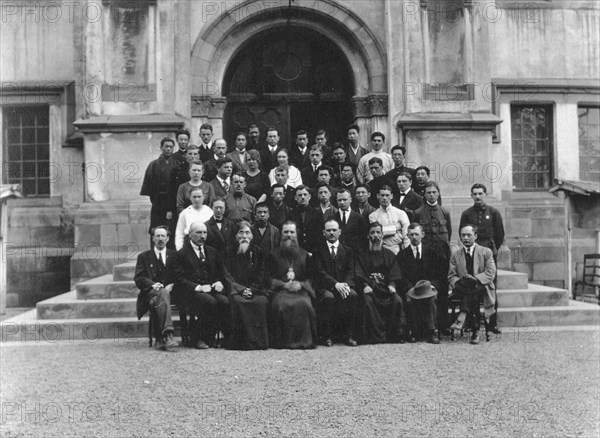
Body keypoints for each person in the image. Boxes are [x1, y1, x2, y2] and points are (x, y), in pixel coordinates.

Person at [173, 221, 228, 349]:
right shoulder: (181, 254)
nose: (202, 236)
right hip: (190, 292)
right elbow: (179, 279)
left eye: (204, 233)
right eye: (198, 232)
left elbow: (221, 273)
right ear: (190, 235)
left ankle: (219, 337)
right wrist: (198, 287)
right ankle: (197, 338)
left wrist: (219, 281)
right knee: (210, 302)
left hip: (210, 289)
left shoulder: (212, 251)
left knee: (224, 301)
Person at [459, 183, 505, 334]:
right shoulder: (467, 214)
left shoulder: (493, 213)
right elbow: (462, 233)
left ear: (485, 194)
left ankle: (492, 324)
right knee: (472, 285)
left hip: (488, 254)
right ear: (471, 196)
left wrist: (490, 250)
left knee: (490, 286)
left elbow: (499, 235)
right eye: (475, 194)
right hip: (471, 254)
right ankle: (470, 322)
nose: (478, 197)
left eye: (480, 193)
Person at [266, 221, 318, 349]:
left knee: (305, 304)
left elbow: (312, 278)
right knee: (280, 306)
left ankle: (304, 341)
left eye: (292, 232)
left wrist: (301, 284)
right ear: (281, 234)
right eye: (286, 232)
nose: (289, 235)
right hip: (280, 291)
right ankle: (282, 342)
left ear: (296, 234)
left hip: (300, 291)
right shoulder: (272, 254)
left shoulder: (305, 255)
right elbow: (267, 277)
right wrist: (282, 285)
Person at [396, 223, 447, 342]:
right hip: (412, 288)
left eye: (417, 234)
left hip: (429, 287)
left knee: (431, 299)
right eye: (411, 234)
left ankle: (432, 331)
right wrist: (409, 288)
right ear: (407, 236)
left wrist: (433, 285)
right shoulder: (402, 255)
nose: (414, 237)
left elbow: (440, 273)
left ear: (422, 235)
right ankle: (414, 331)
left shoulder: (432, 252)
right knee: (409, 300)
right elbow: (401, 276)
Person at [356, 222, 405, 344]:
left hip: (385, 289)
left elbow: (394, 273)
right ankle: (372, 337)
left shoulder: (389, 254)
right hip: (370, 288)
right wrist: (365, 286)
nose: (375, 235)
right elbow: (359, 272)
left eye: (378, 232)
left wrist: (392, 285)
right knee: (367, 302)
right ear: (368, 236)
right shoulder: (361, 254)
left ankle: (394, 336)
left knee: (398, 300)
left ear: (382, 235)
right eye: (372, 233)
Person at [448, 225, 497, 345]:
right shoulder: (456, 254)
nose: (465, 238)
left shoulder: (486, 252)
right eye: (463, 235)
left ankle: (464, 317)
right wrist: (460, 282)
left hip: (481, 286)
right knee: (470, 292)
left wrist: (475, 279)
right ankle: (474, 332)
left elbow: (491, 273)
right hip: (462, 287)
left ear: (475, 236)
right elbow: (451, 275)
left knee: (474, 291)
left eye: (469, 235)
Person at [224, 221, 269, 350]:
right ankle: (241, 343)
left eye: (247, 233)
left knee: (261, 301)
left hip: (255, 290)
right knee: (238, 302)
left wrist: (252, 289)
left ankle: (259, 342)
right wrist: (242, 289)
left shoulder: (258, 251)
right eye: (241, 233)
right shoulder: (228, 252)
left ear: (252, 236)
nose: (244, 236)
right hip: (236, 291)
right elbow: (226, 275)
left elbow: (261, 273)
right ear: (235, 236)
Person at [314, 219, 359, 347]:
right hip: (325, 287)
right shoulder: (318, 250)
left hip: (343, 286)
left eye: (334, 230)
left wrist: (345, 285)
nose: (331, 233)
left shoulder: (348, 250)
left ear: (340, 232)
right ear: (324, 233)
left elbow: (351, 271)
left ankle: (348, 335)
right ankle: (327, 336)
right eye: (328, 230)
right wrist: (335, 284)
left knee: (352, 295)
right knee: (328, 297)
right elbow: (319, 272)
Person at [134, 226, 177, 350]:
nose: (160, 239)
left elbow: (180, 275)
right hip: (150, 293)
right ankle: (168, 334)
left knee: (162, 296)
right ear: (153, 238)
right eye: (157, 236)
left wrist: (173, 285)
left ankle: (161, 337)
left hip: (172, 292)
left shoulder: (174, 255)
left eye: (163, 236)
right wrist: (152, 284)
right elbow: (139, 278)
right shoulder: (144, 256)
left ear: (168, 239)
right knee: (161, 295)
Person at [140, 137, 178, 248]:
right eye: (166, 146)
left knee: (171, 230)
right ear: (161, 148)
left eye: (171, 147)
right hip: (157, 205)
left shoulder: (176, 164)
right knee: (156, 230)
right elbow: (150, 187)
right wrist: (157, 202)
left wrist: (170, 207)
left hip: (172, 205)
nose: (168, 149)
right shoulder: (153, 165)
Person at [413, 181, 451, 260]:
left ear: (438, 194)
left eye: (434, 192)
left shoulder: (445, 212)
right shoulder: (418, 213)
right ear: (425, 194)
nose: (431, 195)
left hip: (442, 252)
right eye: (429, 192)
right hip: (425, 252)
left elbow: (449, 232)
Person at [369, 185, 410, 255]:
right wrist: (395, 228)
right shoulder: (373, 216)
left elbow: (406, 235)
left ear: (392, 196)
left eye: (387, 195)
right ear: (377, 196)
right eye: (382, 195)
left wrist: (407, 251)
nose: (384, 198)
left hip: (399, 250)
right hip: (381, 251)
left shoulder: (400, 213)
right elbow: (376, 235)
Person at [292, 185, 324, 253]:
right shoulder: (291, 214)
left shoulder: (317, 213)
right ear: (295, 198)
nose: (302, 197)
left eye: (305, 194)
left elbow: (320, 235)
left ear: (309, 196)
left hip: (313, 251)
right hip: (296, 252)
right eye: (300, 195)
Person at [336, 188, 368, 253]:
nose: (342, 202)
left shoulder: (359, 218)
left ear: (350, 200)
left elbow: (363, 241)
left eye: (344, 200)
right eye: (339, 200)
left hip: (354, 255)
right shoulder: (332, 219)